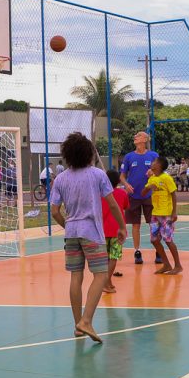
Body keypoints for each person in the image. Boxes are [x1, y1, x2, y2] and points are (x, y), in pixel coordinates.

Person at [49, 132, 127, 344]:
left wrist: (68, 226)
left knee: (76, 277)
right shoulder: (97, 175)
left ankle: (78, 325)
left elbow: (55, 211)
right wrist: (122, 226)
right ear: (88, 153)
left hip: (71, 233)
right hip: (92, 232)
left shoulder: (61, 179)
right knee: (100, 275)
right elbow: (112, 203)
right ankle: (87, 320)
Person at [119, 131, 161, 266]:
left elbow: (160, 173)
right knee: (135, 225)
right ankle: (137, 252)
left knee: (153, 224)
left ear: (144, 139)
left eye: (138, 135)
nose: (135, 137)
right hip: (133, 196)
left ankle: (158, 251)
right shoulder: (129, 156)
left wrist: (153, 173)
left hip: (149, 195)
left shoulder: (153, 155)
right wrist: (126, 185)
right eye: (135, 135)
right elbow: (122, 176)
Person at [144, 156, 183, 274]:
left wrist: (174, 212)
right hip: (155, 214)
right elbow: (142, 192)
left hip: (166, 215)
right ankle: (166, 264)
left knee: (168, 239)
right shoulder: (152, 179)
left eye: (154, 161)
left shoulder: (166, 178)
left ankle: (178, 266)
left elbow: (173, 195)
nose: (152, 163)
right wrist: (149, 187)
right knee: (154, 240)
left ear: (159, 165)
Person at [102, 169, 130, 293]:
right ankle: (105, 282)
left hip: (102, 230)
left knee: (106, 258)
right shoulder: (122, 193)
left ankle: (108, 282)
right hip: (117, 230)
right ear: (118, 181)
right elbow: (125, 206)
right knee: (113, 258)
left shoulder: (100, 194)